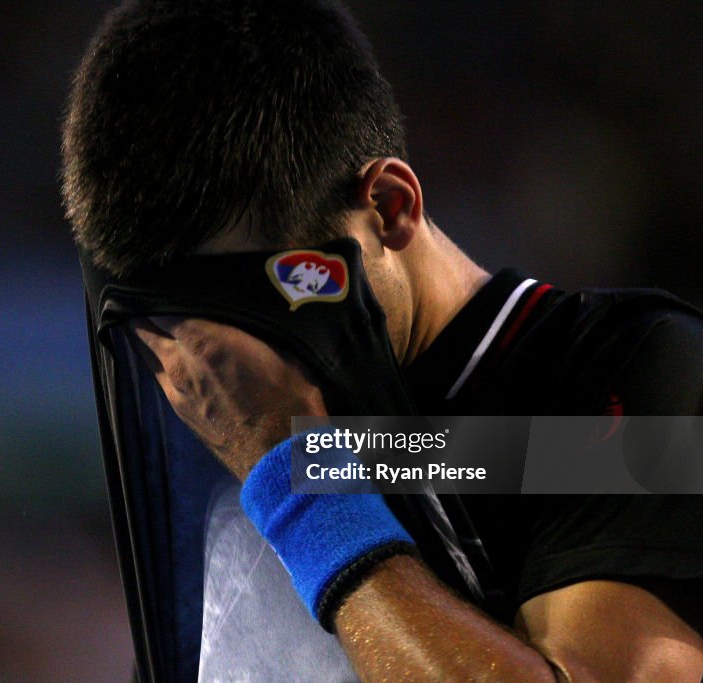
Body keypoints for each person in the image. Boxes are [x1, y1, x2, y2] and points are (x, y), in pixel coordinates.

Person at [62, 1, 703, 680]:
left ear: (391, 208)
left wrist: (301, 484)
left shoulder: (635, 378)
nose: (219, 371)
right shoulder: (231, 475)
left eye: (257, 312)